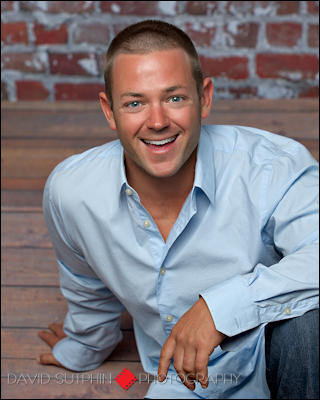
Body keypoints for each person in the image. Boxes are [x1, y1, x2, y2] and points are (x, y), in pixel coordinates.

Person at [38, 20, 319, 399]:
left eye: (174, 98)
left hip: (293, 360)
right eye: (135, 103)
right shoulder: (72, 192)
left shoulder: (271, 167)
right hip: (184, 379)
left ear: (203, 98)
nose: (157, 122)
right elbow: (85, 281)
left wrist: (219, 308)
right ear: (109, 111)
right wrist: (85, 346)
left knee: (309, 325)